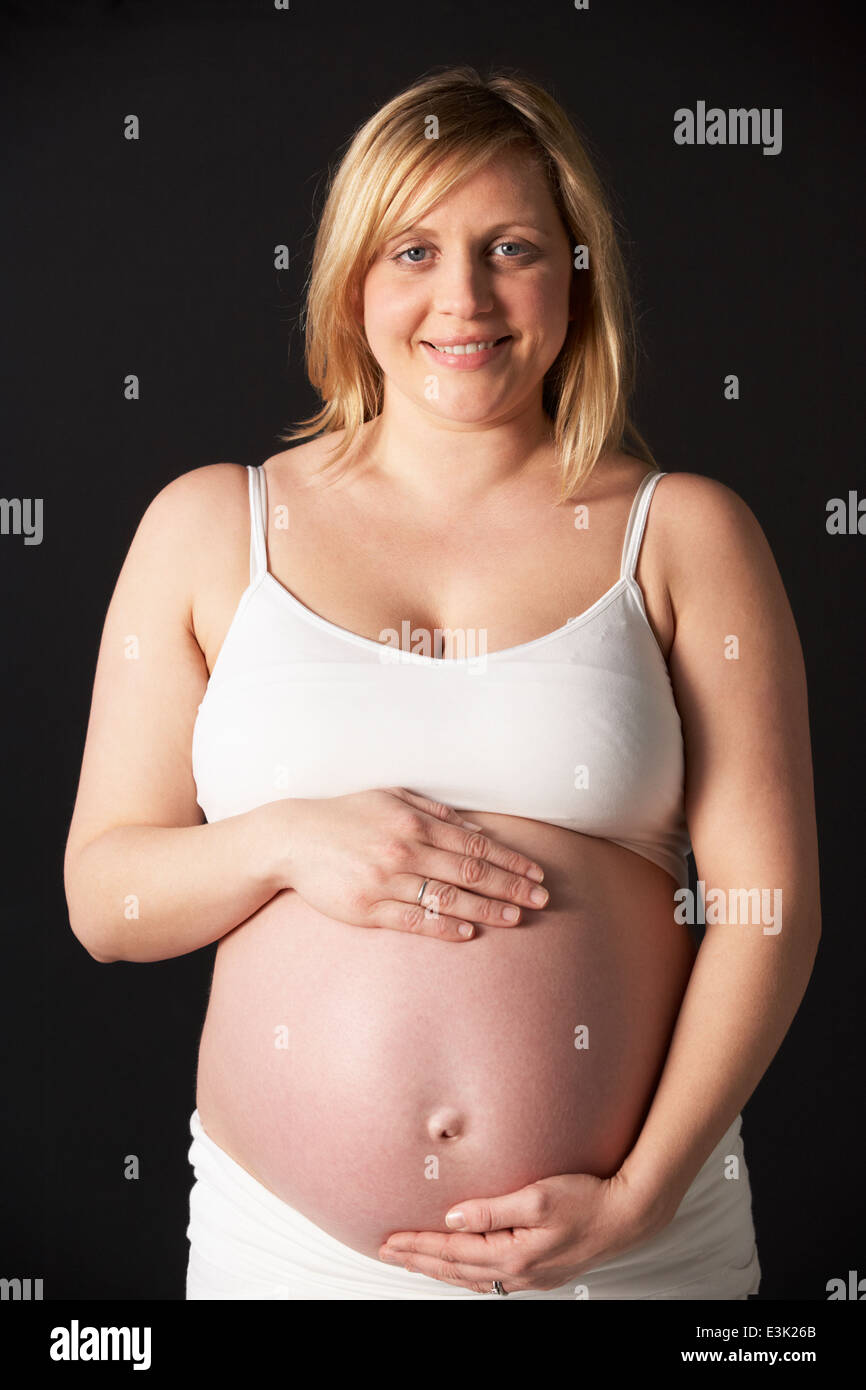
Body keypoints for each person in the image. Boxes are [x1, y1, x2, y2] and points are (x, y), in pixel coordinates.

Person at [63, 65, 821, 1300]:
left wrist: (640, 1194)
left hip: (629, 1255)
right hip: (288, 1256)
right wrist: (286, 843)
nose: (459, 297)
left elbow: (767, 907)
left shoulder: (684, 533)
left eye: (510, 247)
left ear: (574, 273)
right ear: (350, 275)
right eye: (411, 249)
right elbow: (106, 900)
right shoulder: (209, 526)